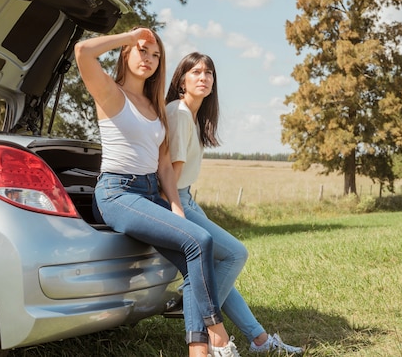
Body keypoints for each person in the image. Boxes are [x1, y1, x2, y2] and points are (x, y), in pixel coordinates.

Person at [74, 29, 240, 357]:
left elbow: (164, 164)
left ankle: (199, 353)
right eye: (142, 51)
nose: (148, 59)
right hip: (117, 193)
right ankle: (218, 335)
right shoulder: (110, 92)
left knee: (194, 263)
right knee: (201, 241)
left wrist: (176, 206)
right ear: (126, 53)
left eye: (155, 55)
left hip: (151, 193)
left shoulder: (153, 105)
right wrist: (130, 35)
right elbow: (82, 51)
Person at [165, 52, 304, 354]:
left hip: (186, 195)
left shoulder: (191, 115)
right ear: (181, 81)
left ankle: (260, 340)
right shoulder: (178, 114)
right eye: (196, 72)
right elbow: (168, 180)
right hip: (174, 199)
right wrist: (178, 213)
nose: (203, 78)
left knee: (216, 271)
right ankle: (199, 312)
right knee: (234, 255)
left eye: (209, 73)